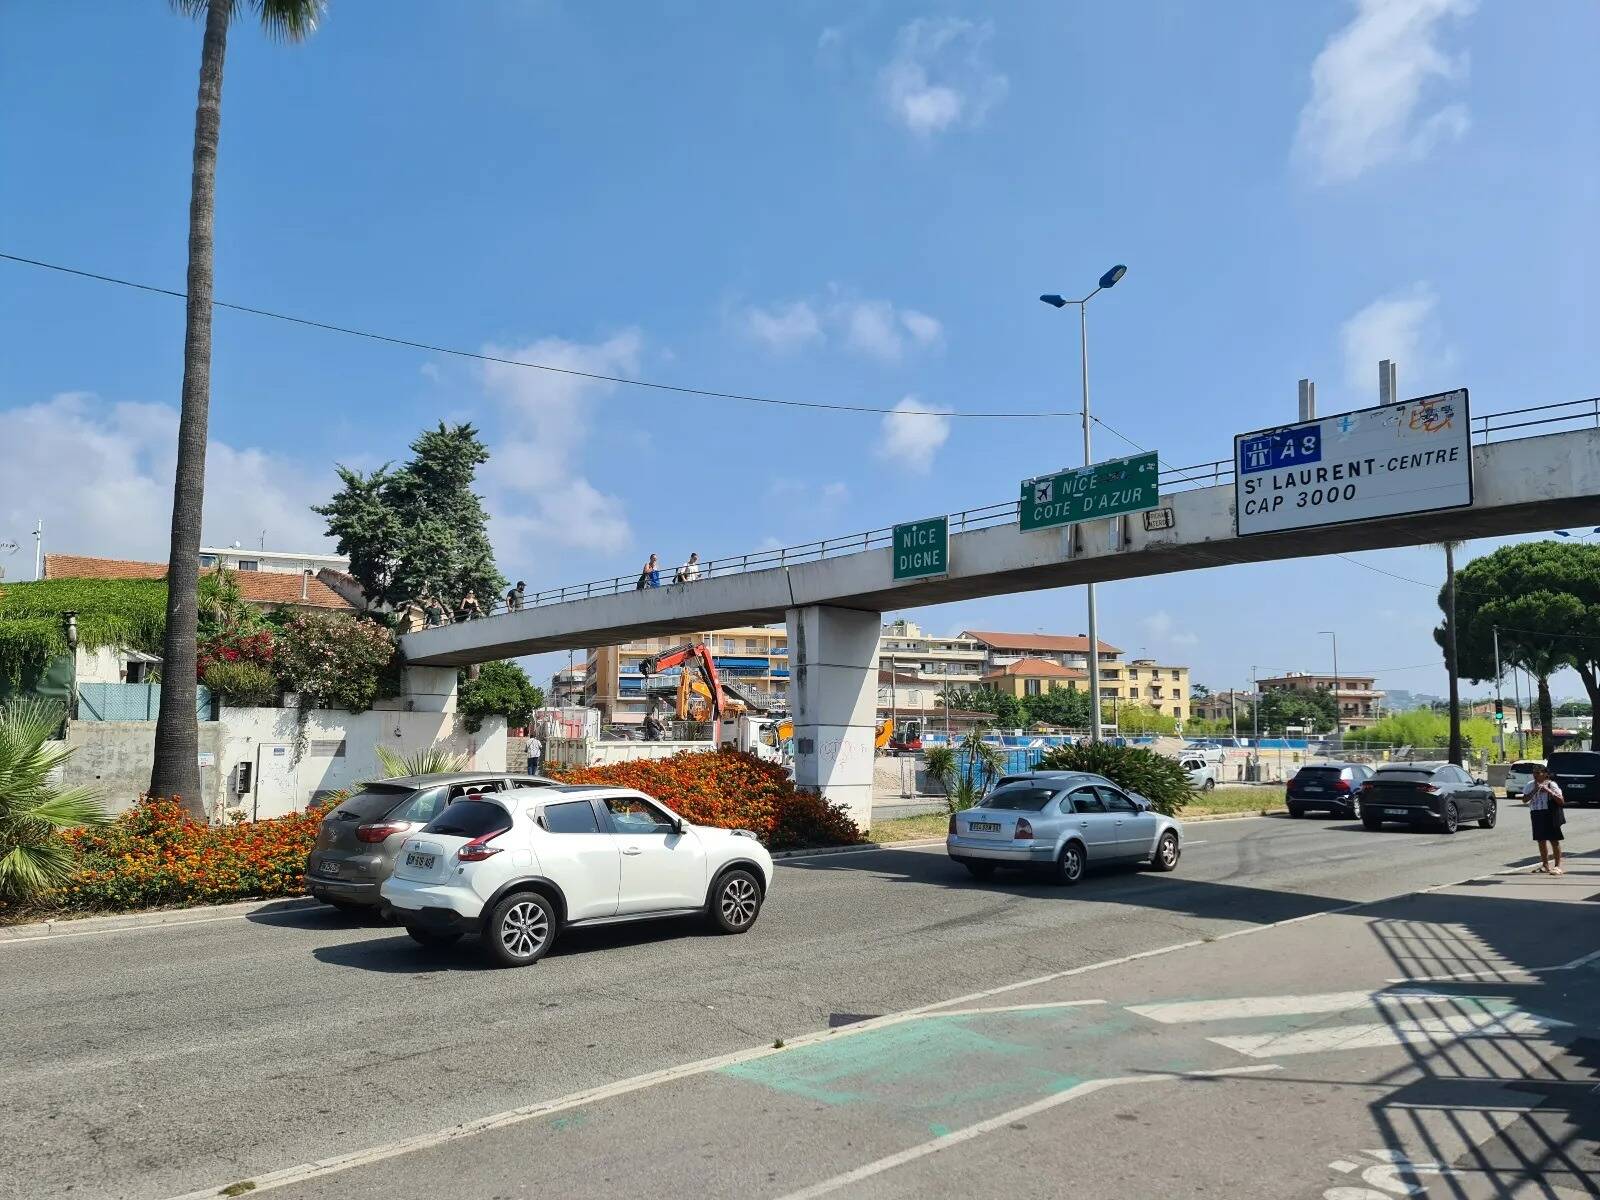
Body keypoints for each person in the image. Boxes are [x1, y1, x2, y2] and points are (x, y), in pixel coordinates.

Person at [1522, 765, 1565, 874]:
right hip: (1536, 812)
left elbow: (1561, 801)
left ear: (1545, 774)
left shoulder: (1551, 784)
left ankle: (1557, 866)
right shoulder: (1530, 785)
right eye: (1534, 773)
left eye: (1538, 773)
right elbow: (1524, 799)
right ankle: (1545, 865)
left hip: (1549, 813)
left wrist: (1548, 790)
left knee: (1554, 840)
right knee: (1541, 840)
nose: (1535, 775)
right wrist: (1534, 790)